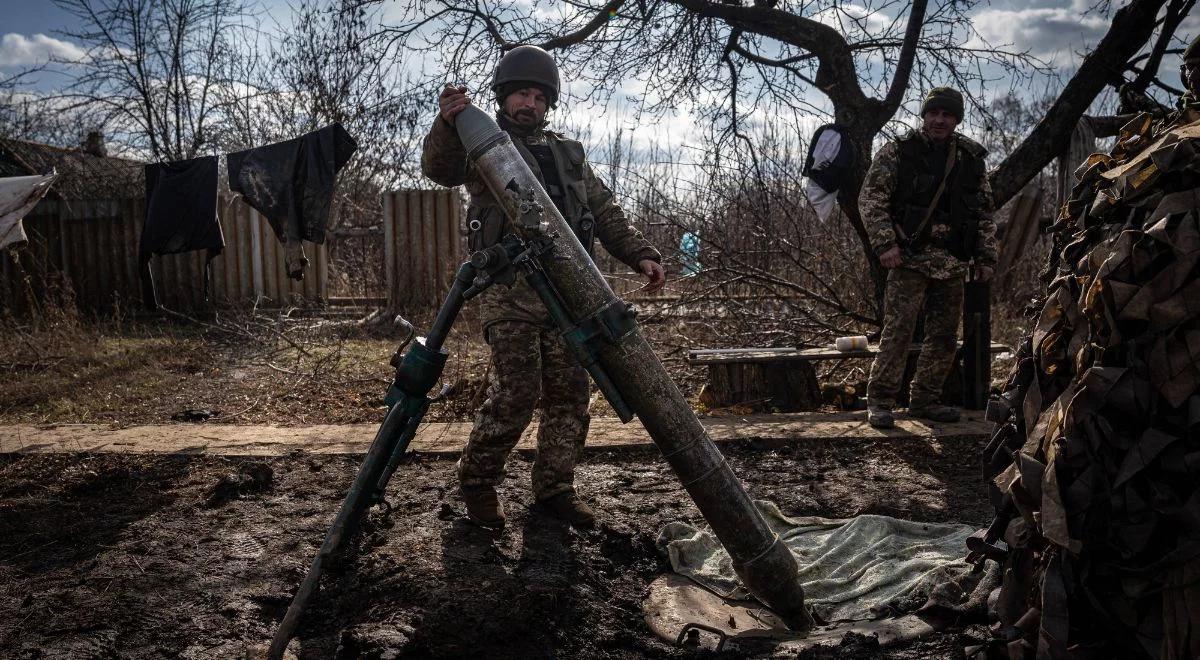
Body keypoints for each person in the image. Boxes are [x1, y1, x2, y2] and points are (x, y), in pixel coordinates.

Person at [421, 45, 665, 528]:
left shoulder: (567, 154)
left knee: (570, 394)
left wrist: (642, 254)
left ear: (548, 103)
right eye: (520, 95)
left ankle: (554, 489)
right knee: (517, 390)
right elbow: (440, 170)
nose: (528, 104)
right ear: (503, 98)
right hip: (509, 290)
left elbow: (606, 211)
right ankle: (478, 482)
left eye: (537, 96)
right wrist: (447, 124)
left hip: (568, 293)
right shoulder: (484, 146)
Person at [858, 86, 998, 429]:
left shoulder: (970, 159)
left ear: (956, 119)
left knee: (944, 336)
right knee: (898, 331)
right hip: (909, 257)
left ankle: (924, 400)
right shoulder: (899, 151)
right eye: (934, 113)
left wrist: (986, 257)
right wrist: (884, 245)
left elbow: (983, 212)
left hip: (951, 260)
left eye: (947, 115)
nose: (939, 120)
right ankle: (880, 401)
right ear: (924, 115)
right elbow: (871, 199)